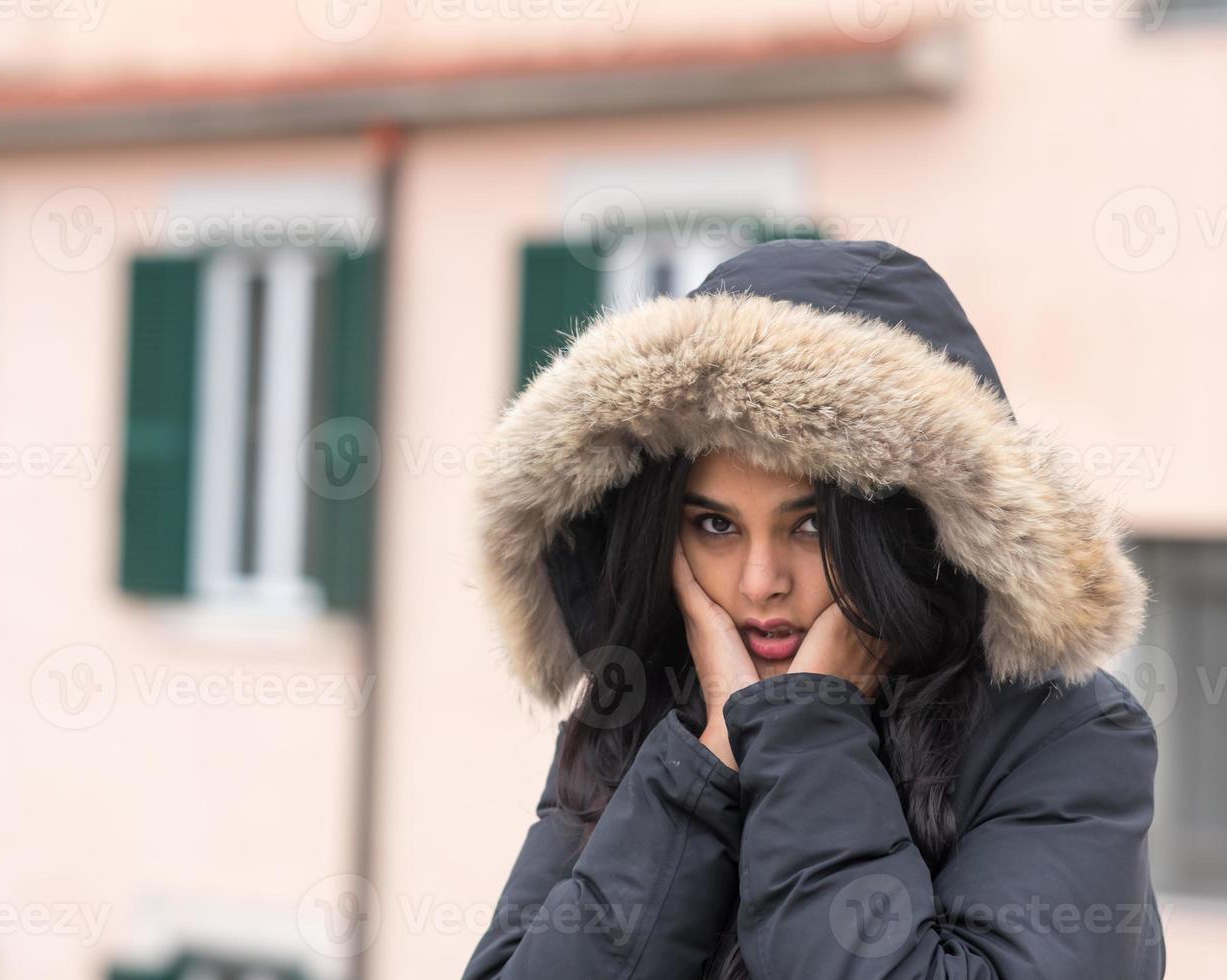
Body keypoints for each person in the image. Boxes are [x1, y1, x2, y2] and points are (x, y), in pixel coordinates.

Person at [461, 239, 1166, 979]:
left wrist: (806, 733)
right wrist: (708, 766)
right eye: (716, 525)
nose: (762, 581)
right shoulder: (634, 716)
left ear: (911, 527)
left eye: (811, 526)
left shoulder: (1064, 736)